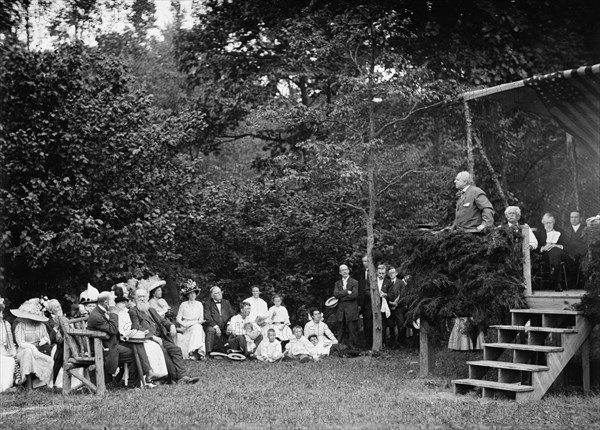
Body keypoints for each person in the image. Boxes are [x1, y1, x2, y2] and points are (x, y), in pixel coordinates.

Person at [129, 289, 199, 384]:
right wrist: (152, 337)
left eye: (143, 296)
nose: (142, 299)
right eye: (139, 297)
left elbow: (162, 321)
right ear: (135, 299)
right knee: (164, 352)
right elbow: (136, 327)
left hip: (161, 337)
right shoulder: (133, 311)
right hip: (148, 340)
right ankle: (175, 378)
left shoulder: (151, 309)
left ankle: (182, 376)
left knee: (176, 350)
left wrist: (171, 325)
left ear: (147, 297)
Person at [111, 285, 167, 385]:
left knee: (153, 347)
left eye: (124, 302)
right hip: (122, 341)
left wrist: (134, 332)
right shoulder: (114, 313)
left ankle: (156, 376)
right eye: (120, 303)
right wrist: (130, 333)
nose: (123, 305)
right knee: (148, 348)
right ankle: (147, 376)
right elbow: (117, 330)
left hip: (132, 337)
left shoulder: (125, 312)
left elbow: (132, 326)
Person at [86, 291, 141, 388]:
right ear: (107, 302)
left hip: (108, 343)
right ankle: (132, 384)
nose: (114, 303)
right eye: (112, 301)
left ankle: (118, 381)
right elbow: (113, 329)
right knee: (134, 353)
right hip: (100, 348)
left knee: (136, 348)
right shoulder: (97, 315)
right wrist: (114, 313)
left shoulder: (101, 311)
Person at [10, 299, 54, 388]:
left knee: (49, 360)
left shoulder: (41, 326)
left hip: (39, 350)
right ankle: (28, 384)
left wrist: (44, 340)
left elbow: (48, 339)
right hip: (23, 352)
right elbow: (21, 342)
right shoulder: (20, 326)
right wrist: (32, 348)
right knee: (28, 352)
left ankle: (39, 384)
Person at [175, 280, 206, 360]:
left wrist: (196, 323)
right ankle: (199, 351)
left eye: (194, 293)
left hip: (196, 324)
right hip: (185, 325)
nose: (192, 295)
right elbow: (178, 318)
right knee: (198, 328)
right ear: (187, 295)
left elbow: (201, 319)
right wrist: (184, 324)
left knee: (198, 327)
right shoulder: (183, 304)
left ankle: (194, 351)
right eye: (190, 293)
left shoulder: (199, 304)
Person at [536, 213, 565, 291]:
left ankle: (553, 273)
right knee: (554, 254)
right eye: (546, 223)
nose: (548, 225)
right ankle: (556, 280)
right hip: (543, 256)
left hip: (557, 254)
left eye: (550, 222)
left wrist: (556, 246)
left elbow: (565, 245)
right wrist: (543, 248)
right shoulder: (539, 233)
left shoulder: (560, 232)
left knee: (555, 251)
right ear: (543, 223)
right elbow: (535, 247)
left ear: (553, 223)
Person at [333, 264, 359, 349]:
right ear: (340, 272)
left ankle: (353, 349)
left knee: (352, 331)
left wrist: (342, 298)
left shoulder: (354, 282)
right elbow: (336, 294)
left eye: (346, 269)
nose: (344, 271)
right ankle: (341, 349)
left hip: (351, 310)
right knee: (341, 331)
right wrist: (347, 291)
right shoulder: (337, 283)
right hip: (341, 311)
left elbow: (354, 295)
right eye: (342, 270)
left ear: (348, 270)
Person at [203, 286, 236, 355]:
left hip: (225, 325)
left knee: (233, 329)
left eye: (220, 292)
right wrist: (216, 327)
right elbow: (207, 317)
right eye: (217, 293)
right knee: (211, 330)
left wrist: (229, 324)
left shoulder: (226, 302)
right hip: (213, 326)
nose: (220, 294)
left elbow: (232, 315)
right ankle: (209, 352)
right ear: (212, 296)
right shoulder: (207, 304)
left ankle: (233, 350)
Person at [382, 267, 406, 349]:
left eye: (393, 273)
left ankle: (400, 342)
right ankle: (392, 343)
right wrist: (390, 305)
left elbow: (403, 295)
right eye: (390, 273)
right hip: (389, 308)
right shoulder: (387, 283)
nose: (391, 274)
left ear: (396, 273)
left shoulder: (401, 283)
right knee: (391, 326)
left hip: (399, 308)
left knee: (401, 325)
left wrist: (396, 304)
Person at [562, 211, 587, 289]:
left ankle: (579, 283)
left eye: (576, 217)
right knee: (567, 259)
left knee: (581, 261)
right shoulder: (566, 229)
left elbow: (586, 242)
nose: (574, 219)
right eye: (572, 217)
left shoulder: (585, 228)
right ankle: (571, 283)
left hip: (581, 251)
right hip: (569, 252)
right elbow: (564, 242)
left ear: (580, 218)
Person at [0, 297, 17, 392]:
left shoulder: (6, 325)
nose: (1, 315)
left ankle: (6, 387)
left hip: (4, 350)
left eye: (1, 312)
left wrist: (13, 351)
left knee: (10, 360)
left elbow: (10, 341)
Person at [357, 255, 373, 349]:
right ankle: (367, 344)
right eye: (363, 261)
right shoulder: (361, 273)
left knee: (372, 325)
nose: (364, 263)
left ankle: (373, 344)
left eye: (366, 261)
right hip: (363, 303)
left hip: (372, 302)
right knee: (366, 325)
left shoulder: (375, 273)